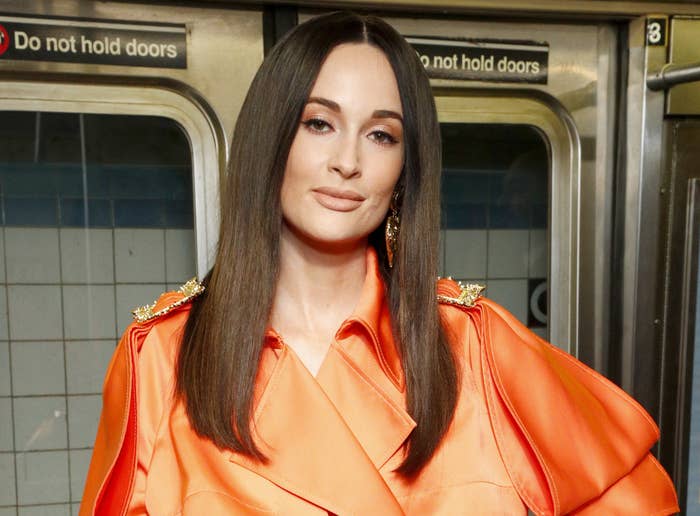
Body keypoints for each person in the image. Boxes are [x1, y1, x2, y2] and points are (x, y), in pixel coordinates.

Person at [80, 11, 679, 515]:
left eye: (381, 135)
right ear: (271, 140)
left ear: (404, 171)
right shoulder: (162, 358)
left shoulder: (474, 344)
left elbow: (640, 497)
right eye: (320, 124)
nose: (348, 161)